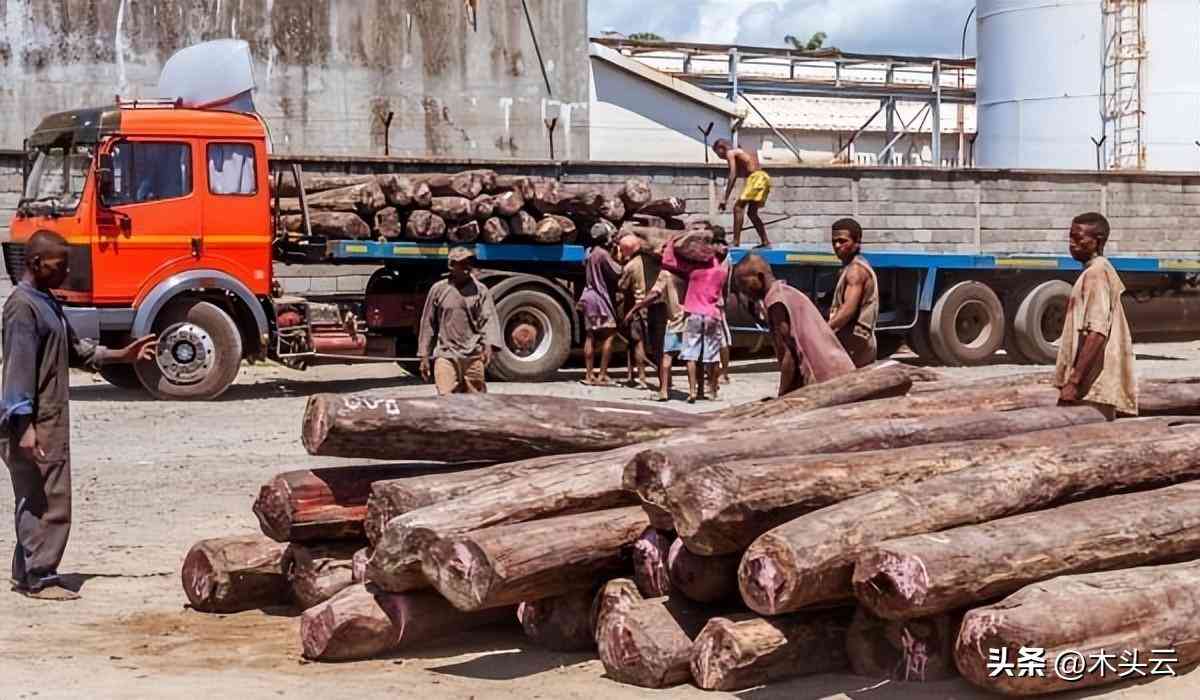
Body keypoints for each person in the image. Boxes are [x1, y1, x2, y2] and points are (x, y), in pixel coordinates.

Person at [2, 230, 155, 600]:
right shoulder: (23, 307)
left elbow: (75, 349)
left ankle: (27, 572)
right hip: (34, 420)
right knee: (46, 498)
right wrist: (24, 425)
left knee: (37, 493)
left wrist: (122, 356)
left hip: (47, 417)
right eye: (60, 265)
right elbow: (18, 370)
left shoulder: (46, 301)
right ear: (37, 263)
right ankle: (40, 577)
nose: (67, 272)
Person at [732, 253, 855, 396]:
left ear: (760, 277)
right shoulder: (786, 292)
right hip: (838, 370)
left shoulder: (775, 302)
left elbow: (788, 357)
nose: (742, 290)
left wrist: (782, 395)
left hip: (827, 380)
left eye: (743, 283)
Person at [1054, 212, 1137, 420]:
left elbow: (1097, 332)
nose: (1072, 244)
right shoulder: (1096, 271)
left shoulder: (1097, 273)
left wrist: (1073, 382)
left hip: (1092, 388)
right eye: (1070, 238)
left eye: (1079, 238)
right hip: (1090, 387)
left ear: (1097, 241)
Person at [417, 247, 502, 395]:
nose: (467, 267)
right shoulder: (438, 290)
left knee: (476, 400)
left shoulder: (480, 290)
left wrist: (488, 345)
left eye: (469, 263)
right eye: (462, 263)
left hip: (472, 355)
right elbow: (428, 323)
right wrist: (424, 355)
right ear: (451, 265)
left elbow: (488, 319)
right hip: (446, 355)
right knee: (446, 398)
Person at [677, 240, 729, 403]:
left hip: (693, 314)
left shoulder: (694, 271)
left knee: (691, 356)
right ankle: (712, 390)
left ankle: (692, 391)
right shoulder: (722, 272)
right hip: (712, 315)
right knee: (712, 356)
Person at [827, 218, 879, 368]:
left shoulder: (855, 271)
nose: (837, 246)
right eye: (834, 241)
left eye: (843, 241)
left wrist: (823, 331)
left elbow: (848, 310)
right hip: (852, 343)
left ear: (857, 242)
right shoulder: (850, 267)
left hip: (855, 345)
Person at [579, 232, 623, 386]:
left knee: (590, 335)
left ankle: (588, 374)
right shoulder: (602, 254)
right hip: (600, 298)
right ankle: (602, 374)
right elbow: (618, 271)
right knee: (610, 334)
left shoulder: (588, 253)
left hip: (588, 296)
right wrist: (619, 256)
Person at [617, 234, 660, 390]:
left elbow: (622, 286)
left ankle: (641, 377)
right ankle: (664, 379)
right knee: (658, 345)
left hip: (639, 308)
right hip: (658, 306)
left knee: (638, 343)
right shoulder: (653, 260)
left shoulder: (631, 265)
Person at [714, 139, 772, 247]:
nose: (720, 157)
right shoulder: (741, 152)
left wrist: (725, 199)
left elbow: (733, 175)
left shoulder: (730, 153)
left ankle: (736, 241)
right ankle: (765, 241)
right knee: (752, 213)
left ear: (721, 148)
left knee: (738, 208)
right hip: (763, 177)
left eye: (718, 153)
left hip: (756, 178)